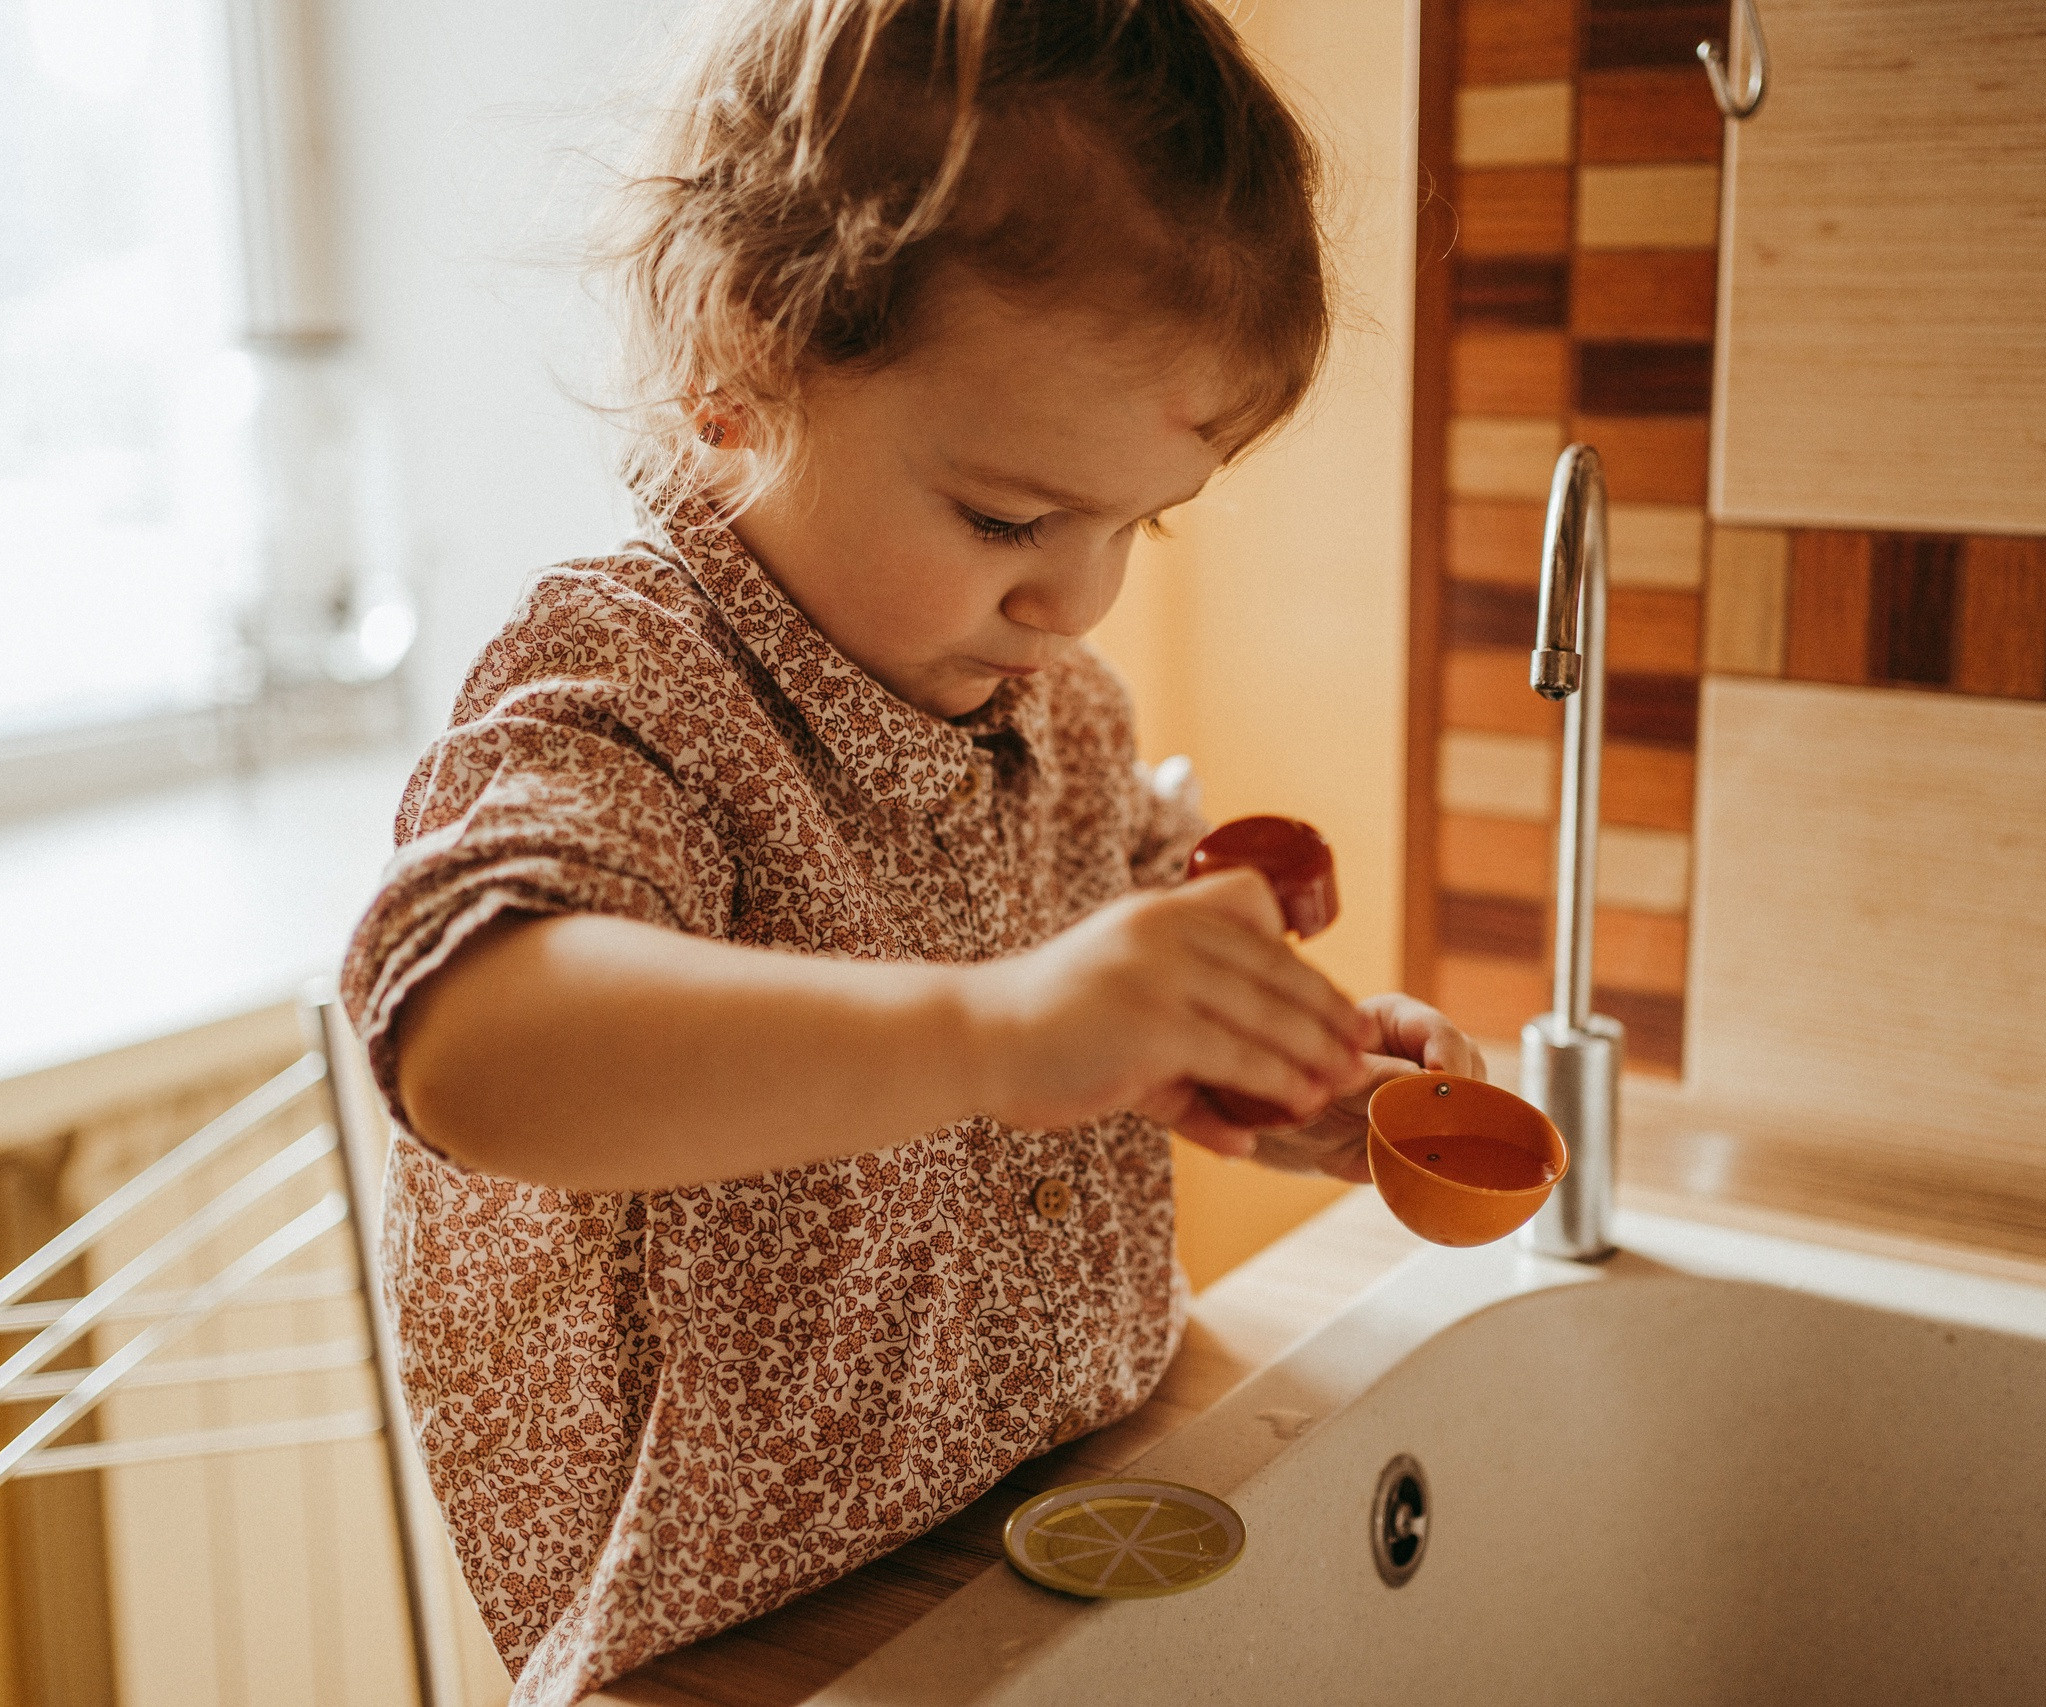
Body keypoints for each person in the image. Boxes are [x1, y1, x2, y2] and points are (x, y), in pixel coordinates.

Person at [341, 2, 1482, 1699]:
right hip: (748, 1644)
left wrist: (1261, 1067)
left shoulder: (1062, 715)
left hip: (1056, 1514)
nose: (1079, 596)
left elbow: (1099, 1052)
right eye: (1011, 519)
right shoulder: (633, 677)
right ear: (745, 363)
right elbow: (478, 1049)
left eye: (1135, 523)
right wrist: (996, 1034)